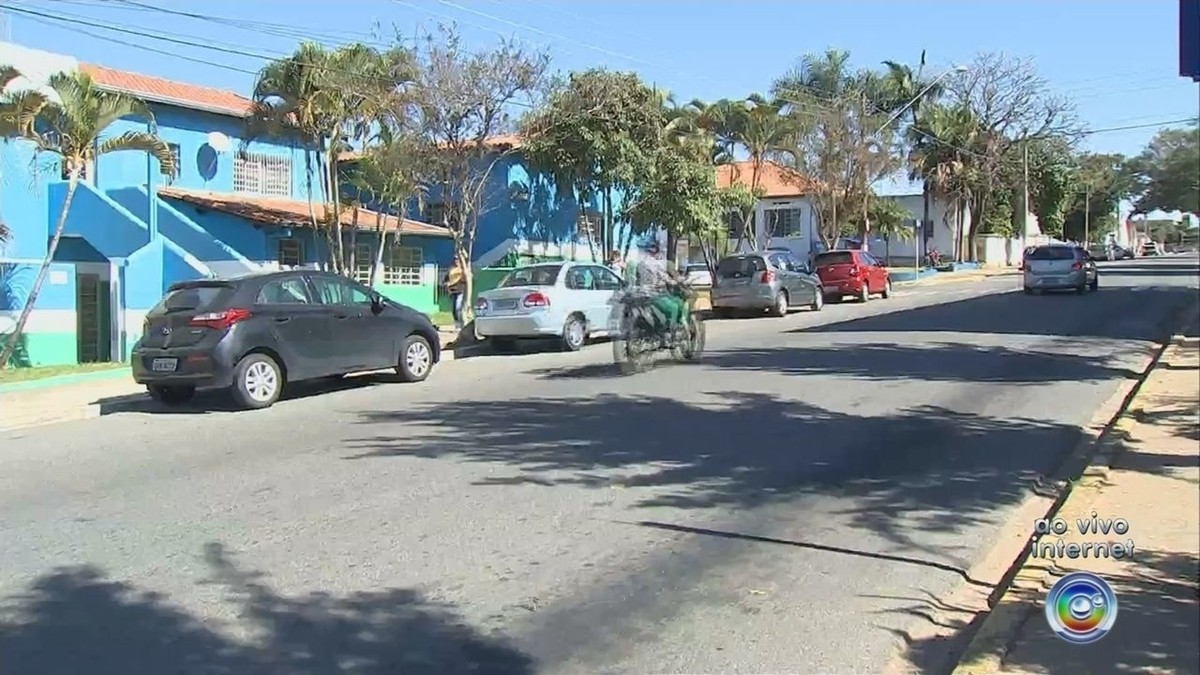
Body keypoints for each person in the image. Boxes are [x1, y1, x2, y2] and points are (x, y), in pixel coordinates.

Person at [631, 240, 687, 332]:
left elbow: (637, 280)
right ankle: (671, 331)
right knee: (675, 307)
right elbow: (665, 278)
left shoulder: (640, 264)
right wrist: (676, 282)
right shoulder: (655, 264)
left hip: (643, 294)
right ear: (655, 252)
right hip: (654, 295)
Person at [442, 259, 467, 332]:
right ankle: (457, 325)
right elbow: (445, 281)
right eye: (456, 260)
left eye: (458, 260)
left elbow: (466, 280)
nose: (457, 262)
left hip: (460, 291)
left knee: (458, 308)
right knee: (454, 309)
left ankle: (461, 324)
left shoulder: (463, 270)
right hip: (452, 292)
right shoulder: (451, 271)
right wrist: (447, 286)